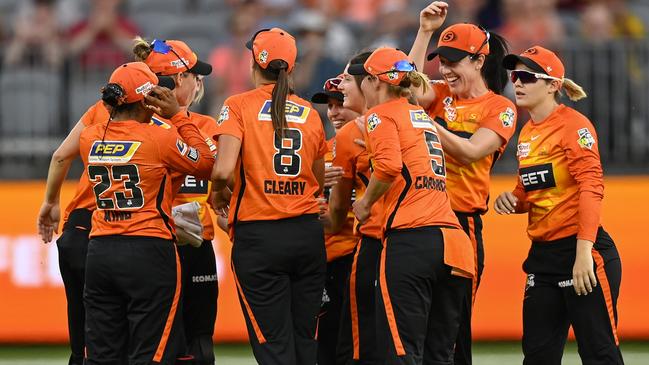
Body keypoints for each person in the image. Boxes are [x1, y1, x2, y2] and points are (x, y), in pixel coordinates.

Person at [494, 45, 624, 365]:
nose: (517, 83)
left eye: (526, 76)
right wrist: (513, 199)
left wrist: (583, 255)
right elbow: (532, 189)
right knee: (538, 356)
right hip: (543, 256)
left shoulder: (573, 126)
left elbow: (592, 187)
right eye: (514, 76)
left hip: (581, 252)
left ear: (553, 85)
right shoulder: (526, 133)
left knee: (599, 353)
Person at [79, 62, 214, 364]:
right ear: (145, 99)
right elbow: (206, 163)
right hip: (149, 250)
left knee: (102, 355)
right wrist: (177, 115)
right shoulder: (160, 139)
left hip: (100, 250)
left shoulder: (90, 137)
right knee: (151, 353)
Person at [348, 47, 474, 365]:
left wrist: (364, 202)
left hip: (413, 240)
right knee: (440, 355)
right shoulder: (424, 118)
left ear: (376, 82)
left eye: (363, 79)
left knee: (401, 352)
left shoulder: (382, 114)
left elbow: (389, 167)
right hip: (456, 243)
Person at [210, 28, 327, 365]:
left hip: (260, 236)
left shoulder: (237, 105)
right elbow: (316, 180)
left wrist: (220, 196)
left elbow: (221, 170)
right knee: (305, 342)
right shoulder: (310, 113)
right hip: (306, 234)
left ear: (254, 63)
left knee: (274, 346)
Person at [408, 3, 516, 363]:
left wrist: (426, 124)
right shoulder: (439, 94)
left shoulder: (499, 107)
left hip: (461, 221)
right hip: (423, 221)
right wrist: (424, 31)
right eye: (442, 60)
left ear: (479, 61)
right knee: (420, 329)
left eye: (454, 60)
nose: (446, 69)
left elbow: (471, 152)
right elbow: (406, 89)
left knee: (450, 330)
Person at [132, 37, 218, 365]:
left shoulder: (206, 125)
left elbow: (222, 176)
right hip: (161, 243)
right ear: (180, 79)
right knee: (167, 341)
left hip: (186, 242)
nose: (200, 82)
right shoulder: (144, 127)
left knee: (196, 339)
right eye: (196, 75)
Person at [37, 99, 109, 365]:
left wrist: (51, 201)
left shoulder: (101, 108)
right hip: (119, 227)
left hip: (77, 225)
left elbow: (60, 155)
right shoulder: (159, 116)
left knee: (81, 340)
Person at [328, 50, 384, 365]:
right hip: (402, 241)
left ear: (371, 84)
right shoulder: (416, 121)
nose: (342, 86)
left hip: (371, 243)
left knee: (359, 346)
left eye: (347, 80)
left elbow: (336, 215)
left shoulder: (354, 134)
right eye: (330, 104)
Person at [310, 75, 360, 365]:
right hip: (326, 258)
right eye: (329, 106)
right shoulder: (324, 150)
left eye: (340, 103)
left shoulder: (377, 141)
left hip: (358, 252)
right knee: (328, 345)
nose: (334, 112)